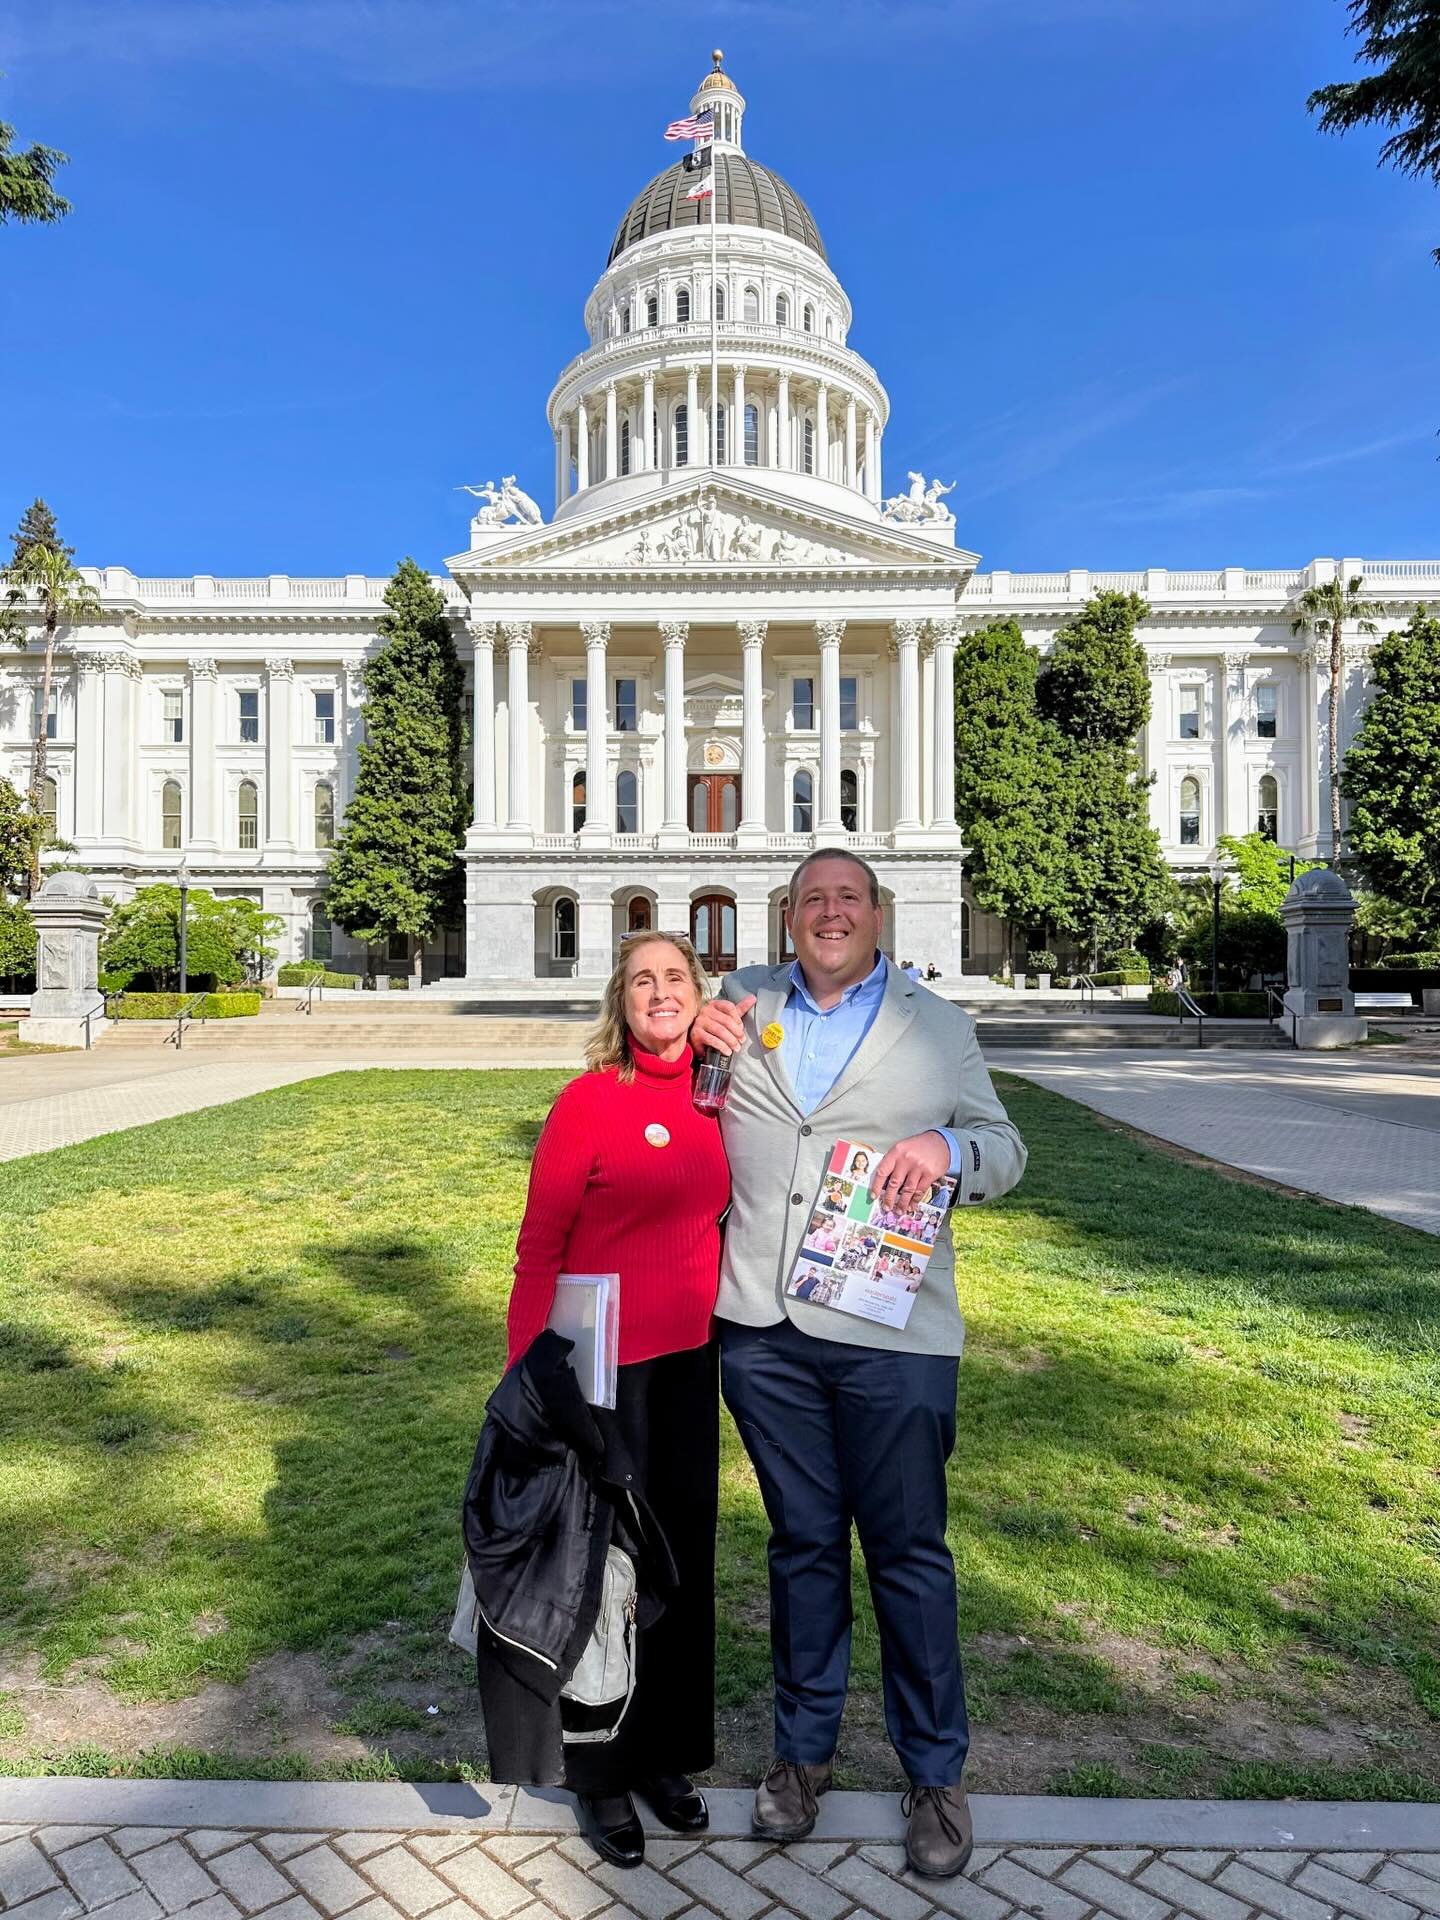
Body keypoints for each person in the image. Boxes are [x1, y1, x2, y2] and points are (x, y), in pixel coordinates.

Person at [690, 850, 1027, 1880]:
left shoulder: (939, 1024)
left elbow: (1006, 1147)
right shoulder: (738, 1003)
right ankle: (801, 1756)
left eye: (849, 899)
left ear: (877, 915)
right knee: (801, 1550)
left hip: (893, 1338)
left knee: (909, 1557)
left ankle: (935, 1774)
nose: (830, 914)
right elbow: (665, 1097)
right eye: (812, 901)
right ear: (786, 917)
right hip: (766, 1333)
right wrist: (681, 1041)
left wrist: (950, 1152)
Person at [502, 933, 729, 1870]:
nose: (661, 992)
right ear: (620, 1001)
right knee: (601, 1575)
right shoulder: (590, 1101)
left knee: (678, 1565)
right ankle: (600, 1771)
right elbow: (537, 1247)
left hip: (689, 1363)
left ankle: (667, 1752)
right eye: (644, 980)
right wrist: (527, 1382)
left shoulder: (725, 1098)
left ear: (699, 994)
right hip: (600, 1368)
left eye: (677, 977)